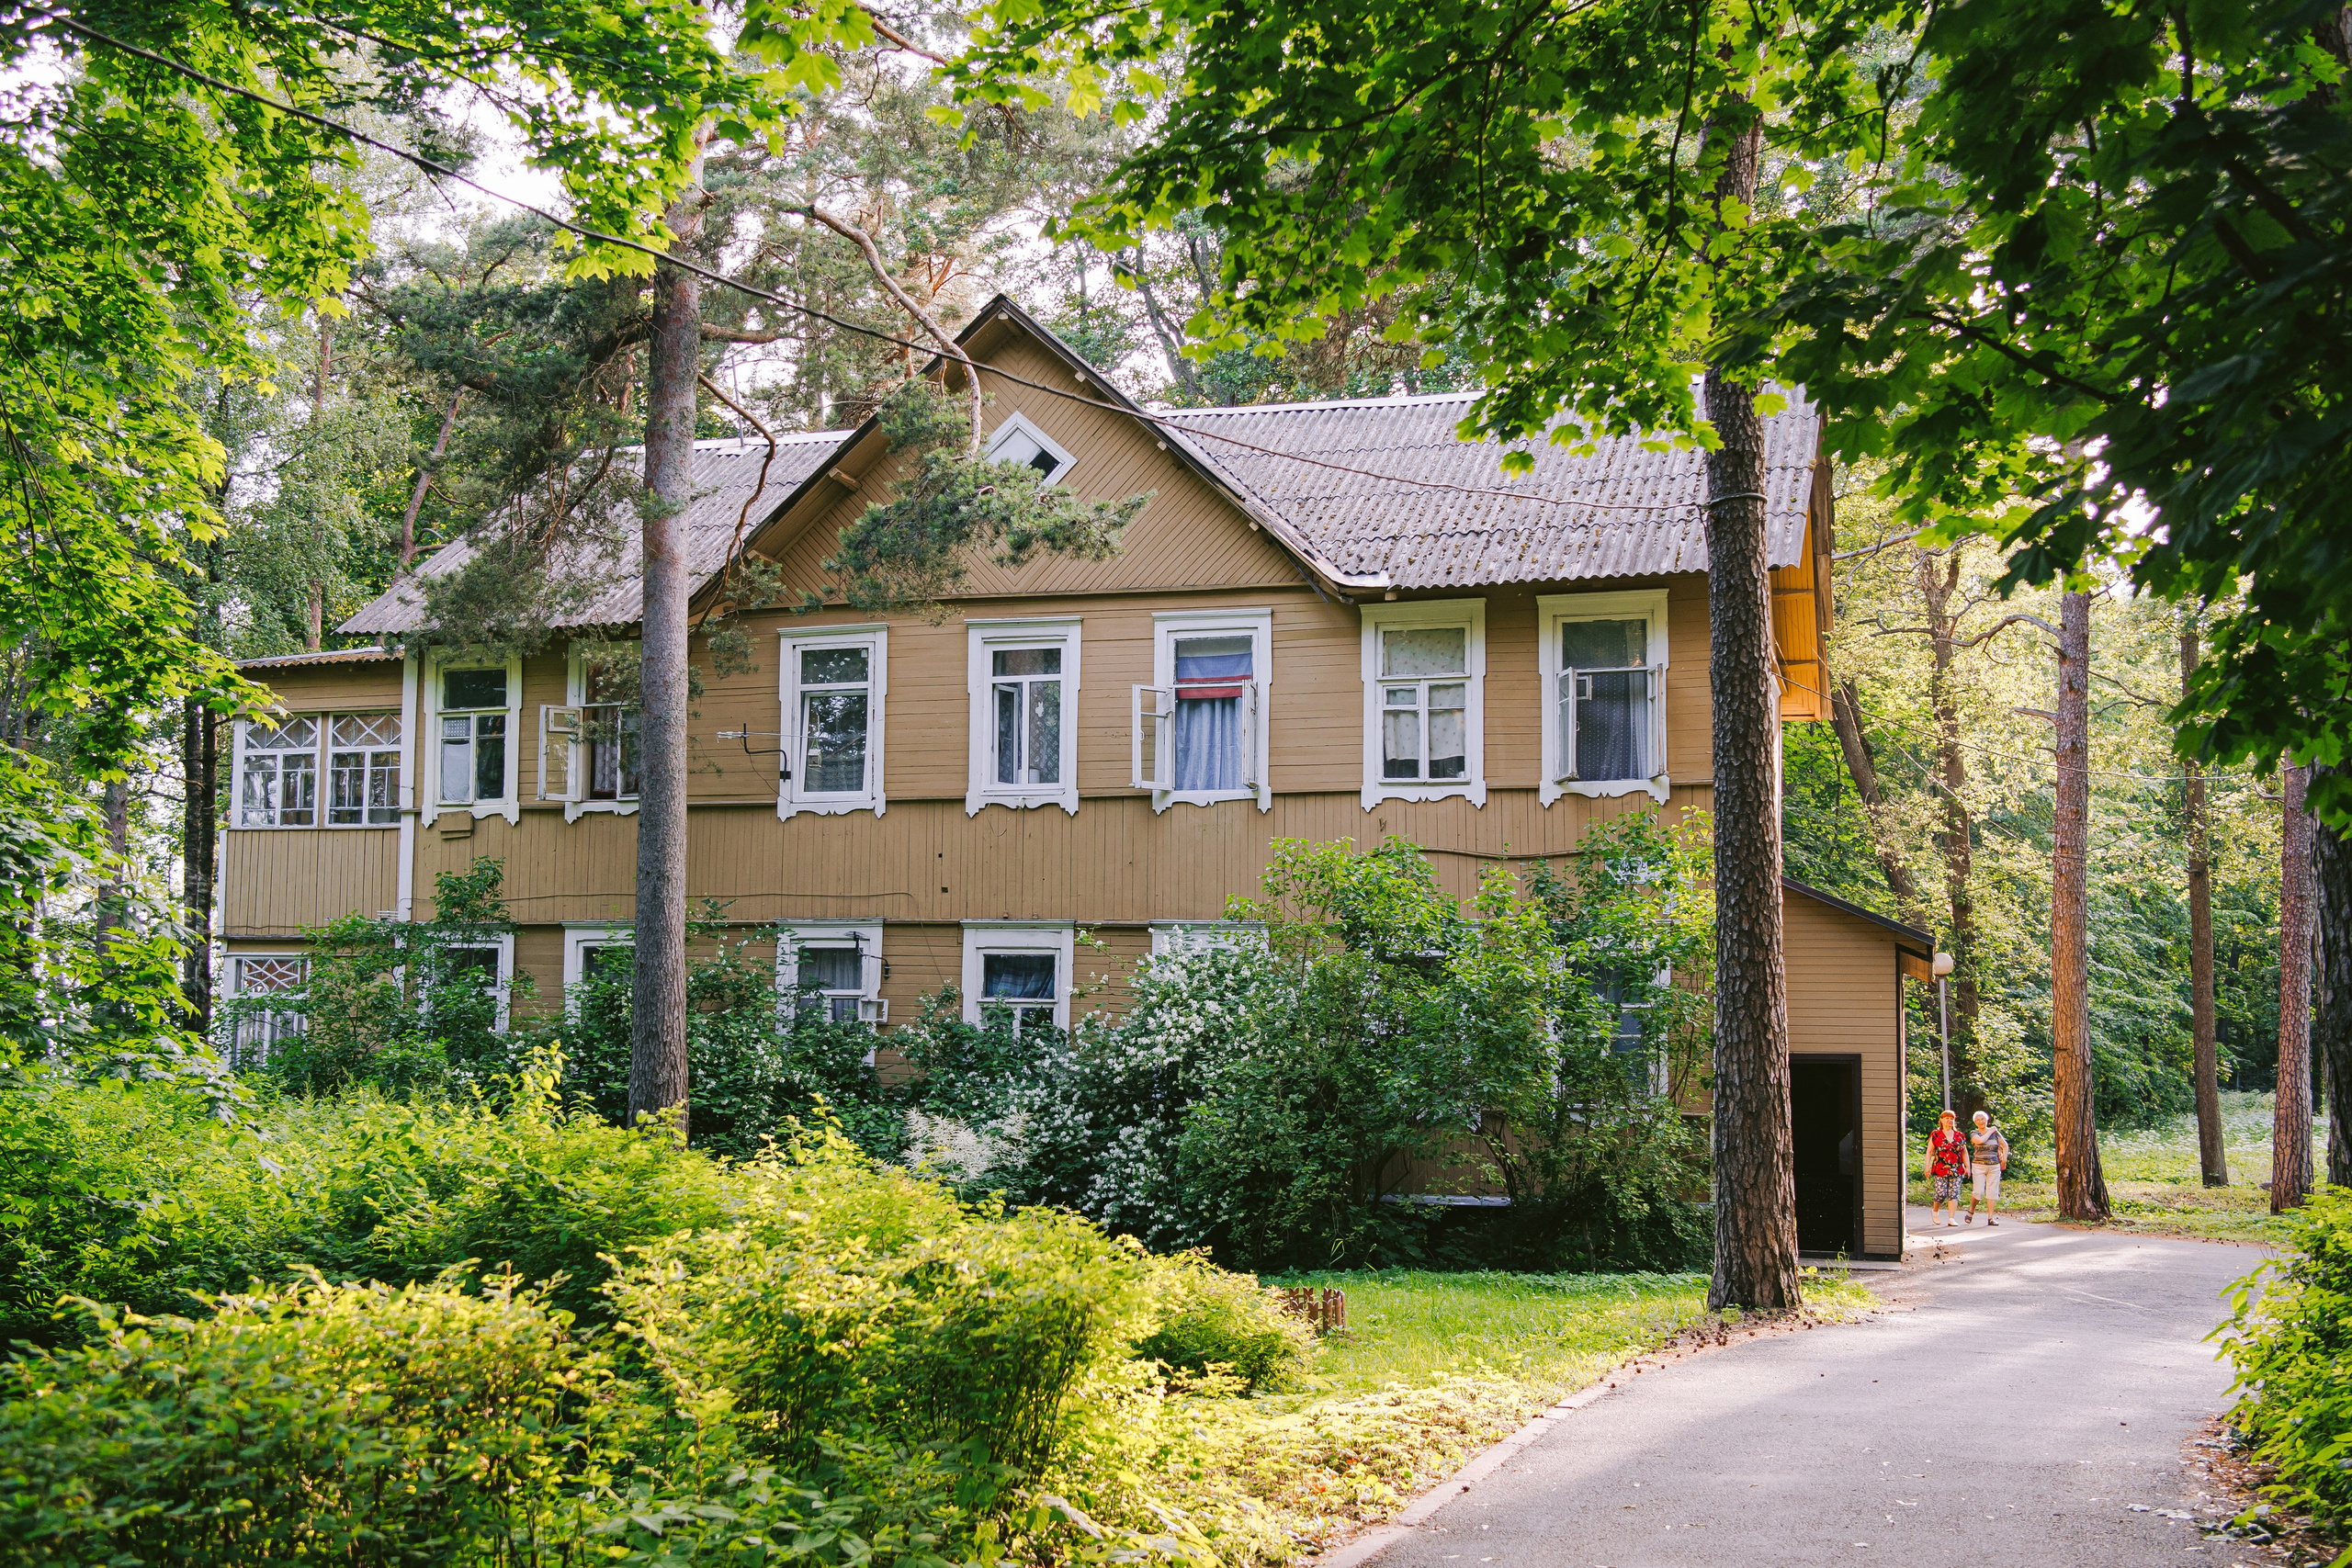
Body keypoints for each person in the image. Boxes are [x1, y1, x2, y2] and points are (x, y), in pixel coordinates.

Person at [1927, 1108, 1970, 1226]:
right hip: (1940, 1168)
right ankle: (1935, 1211)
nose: (1949, 1121)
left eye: (1951, 1119)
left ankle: (1951, 1218)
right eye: (1947, 1118)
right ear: (1941, 1120)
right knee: (1941, 1193)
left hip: (1956, 1168)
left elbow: (1964, 1152)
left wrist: (1968, 1166)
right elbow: (1930, 1151)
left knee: (1954, 1193)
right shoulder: (1936, 1134)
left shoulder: (1959, 1135)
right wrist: (1927, 1167)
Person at [1967, 1110, 2010, 1224]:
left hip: (1994, 1166)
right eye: (1978, 1120)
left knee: (1992, 1191)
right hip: (1979, 1166)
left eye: (1983, 1119)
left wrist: (2004, 1159)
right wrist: (1990, 1130)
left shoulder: (1995, 1133)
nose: (1981, 1121)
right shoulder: (1974, 1133)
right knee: (1978, 1192)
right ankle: (1971, 1210)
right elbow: (1980, 1141)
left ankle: (1990, 1218)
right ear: (1975, 1122)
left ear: (1987, 1120)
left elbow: (2005, 1146)